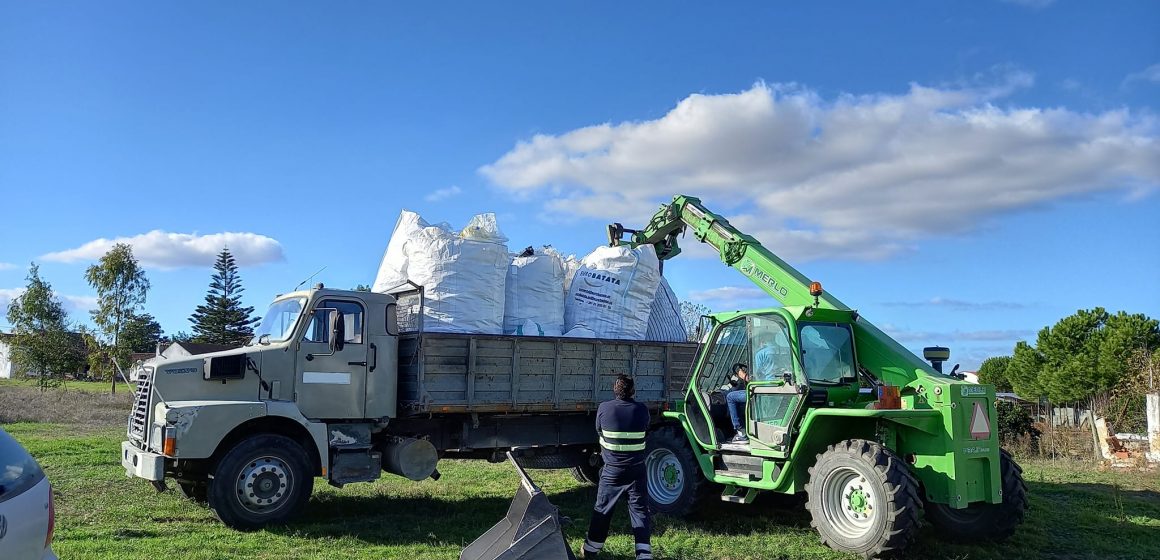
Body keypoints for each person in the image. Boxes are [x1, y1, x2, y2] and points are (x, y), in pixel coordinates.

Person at [582, 374, 653, 560]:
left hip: (612, 470)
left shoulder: (604, 408)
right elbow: (646, 429)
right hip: (637, 469)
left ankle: (591, 549)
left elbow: (599, 430)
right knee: (640, 510)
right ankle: (644, 554)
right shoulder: (642, 409)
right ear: (633, 391)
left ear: (615, 390)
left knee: (603, 509)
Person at [725, 363, 750, 443]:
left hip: (760, 391)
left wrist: (743, 375)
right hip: (767, 389)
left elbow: (757, 379)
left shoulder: (760, 355)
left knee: (730, 397)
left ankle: (741, 433)